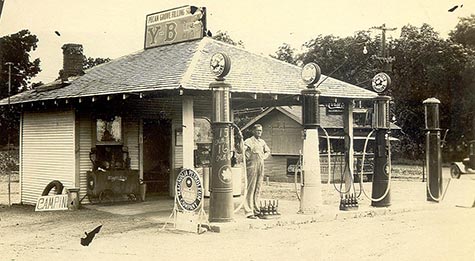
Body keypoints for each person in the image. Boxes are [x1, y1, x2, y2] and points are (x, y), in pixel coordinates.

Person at [243, 124, 270, 219]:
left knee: (258, 187)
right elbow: (243, 151)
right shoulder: (249, 141)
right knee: (251, 188)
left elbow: (268, 151)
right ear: (253, 131)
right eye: (258, 130)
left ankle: (256, 209)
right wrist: (246, 153)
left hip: (260, 165)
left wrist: (263, 157)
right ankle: (249, 212)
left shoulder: (262, 142)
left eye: (261, 130)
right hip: (252, 165)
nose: (259, 132)